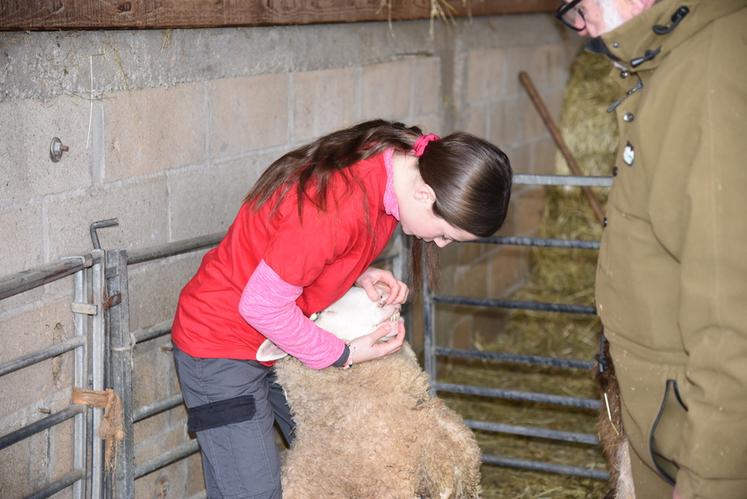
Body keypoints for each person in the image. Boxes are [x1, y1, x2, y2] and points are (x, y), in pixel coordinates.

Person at [170, 119, 513, 499]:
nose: (442, 244)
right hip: (222, 343)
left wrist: (357, 272)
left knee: (345, 457)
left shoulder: (400, 163)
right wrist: (345, 354)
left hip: (281, 340)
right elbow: (263, 304)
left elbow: (309, 249)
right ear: (425, 193)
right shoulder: (338, 205)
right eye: (446, 233)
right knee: (253, 491)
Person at [555, 1, 747, 498]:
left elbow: (734, 309)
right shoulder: (669, 66)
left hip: (690, 429)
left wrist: (713, 478)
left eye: (577, 9)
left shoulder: (708, 76)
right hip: (664, 416)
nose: (580, 30)